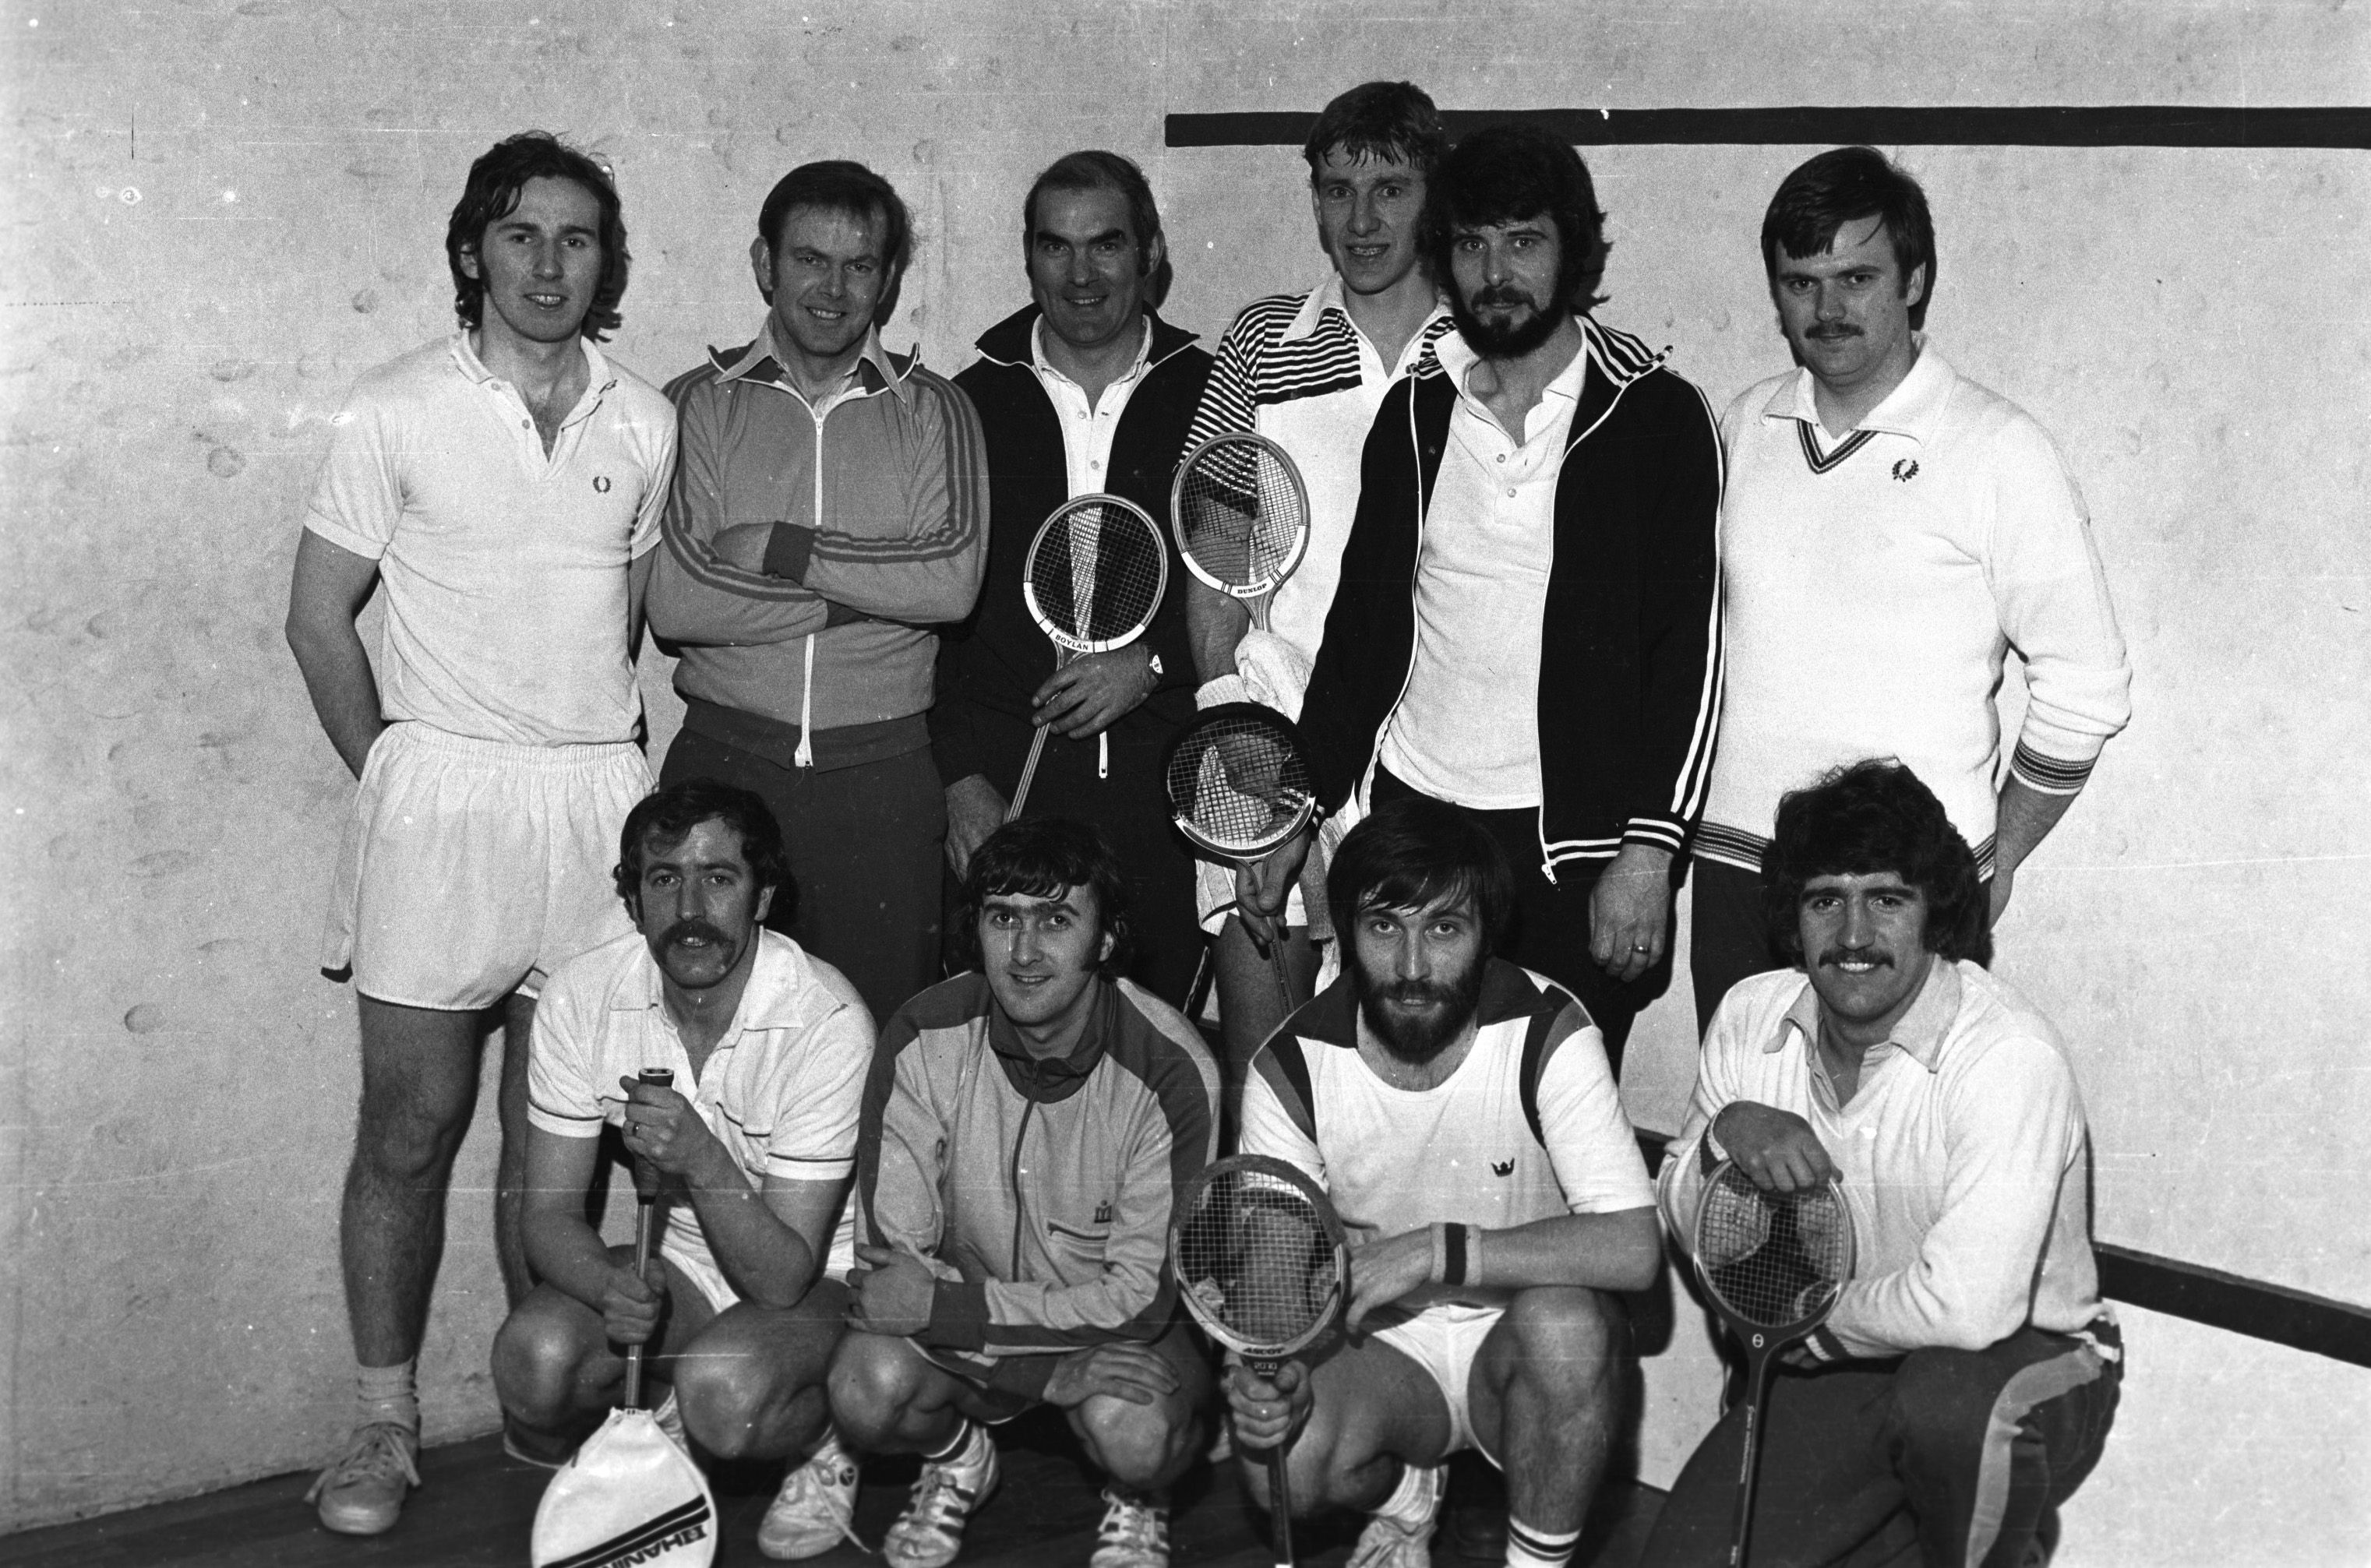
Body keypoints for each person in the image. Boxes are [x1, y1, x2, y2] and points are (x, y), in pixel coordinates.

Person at [284, 132, 676, 1535]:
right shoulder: (393, 407)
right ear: (472, 250)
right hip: (440, 803)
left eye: (577, 239)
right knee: (407, 1125)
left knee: (559, 1137)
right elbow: (316, 619)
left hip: (593, 805)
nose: (550, 263)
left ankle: (543, 1405)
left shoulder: (645, 419)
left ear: (603, 259)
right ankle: (384, 1422)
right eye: (522, 235)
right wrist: (392, 765)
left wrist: (585, 768)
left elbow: (621, 633)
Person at [1249, 123, 1724, 1075]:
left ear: (1574, 255)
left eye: (1523, 241)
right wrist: (1295, 810)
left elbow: (1688, 658)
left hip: (1575, 849)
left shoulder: (1655, 416)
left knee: (1555, 1121)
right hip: (1418, 817)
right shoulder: (1417, 412)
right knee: (1409, 1092)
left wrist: (1646, 854)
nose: (1493, 270)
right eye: (1470, 244)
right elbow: (1361, 637)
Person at [1692, 146, 2131, 1031]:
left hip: (1904, 885)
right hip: (1742, 873)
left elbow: (2087, 689)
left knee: (1901, 1150)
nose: (1827, 309)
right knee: (1752, 1146)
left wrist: (1992, 857)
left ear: (1915, 279)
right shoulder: (1745, 423)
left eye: (1857, 276)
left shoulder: (1999, 447)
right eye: (1799, 282)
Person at [1644, 759, 2120, 1567]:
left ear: (1933, 912)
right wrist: (1725, 1135)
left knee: (1947, 1406)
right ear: (1792, 919)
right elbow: (1673, 1198)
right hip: (1847, 1354)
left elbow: (1968, 1312)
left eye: (1886, 900)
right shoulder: (1749, 1013)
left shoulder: (2006, 1055)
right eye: (1825, 900)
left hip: (2024, 1359)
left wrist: (1805, 1325)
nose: (1854, 936)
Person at [1226, 795, 1660, 1568]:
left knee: (1566, 1325)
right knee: (1278, 1462)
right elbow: (1271, 1268)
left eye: (1444, 929)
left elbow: (1632, 1248)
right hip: (1384, 1347)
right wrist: (1268, 1366)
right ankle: (1404, 1499)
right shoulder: (1290, 1067)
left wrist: (1435, 1251)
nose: (1414, 967)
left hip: (1519, 1339)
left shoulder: (1547, 1029)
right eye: (1384, 928)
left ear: (1487, 936)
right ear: (1347, 934)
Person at [774, 819, 1219, 1568]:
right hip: (974, 1309)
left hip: (1113, 1322)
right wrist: (1042, 1372)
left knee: (1137, 1433)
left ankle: (1141, 1497)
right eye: (1001, 916)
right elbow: (892, 1275)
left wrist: (946, 1310)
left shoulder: (1171, 1067)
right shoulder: (921, 1034)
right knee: (863, 1386)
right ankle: (958, 1458)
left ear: (1105, 939)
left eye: (1054, 919)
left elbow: (1139, 1300)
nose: (1022, 950)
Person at [647, 159, 989, 1027]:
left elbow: (948, 586)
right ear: (765, 264)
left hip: (880, 780)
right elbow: (680, 602)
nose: (833, 290)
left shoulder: (935, 410)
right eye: (809, 260)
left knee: (878, 1053)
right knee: (703, 1049)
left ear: (888, 278)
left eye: (860, 266)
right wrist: (877, 589)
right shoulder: (693, 406)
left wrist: (776, 549)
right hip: (722, 766)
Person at [492, 780, 869, 1558]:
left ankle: (827, 1433)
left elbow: (781, 1279)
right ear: (631, 900)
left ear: (762, 895)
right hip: (690, 1260)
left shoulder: (825, 1020)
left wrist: (698, 1153)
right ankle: (674, 1407)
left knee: (727, 1401)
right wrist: (609, 1287)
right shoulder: (580, 998)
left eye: (718, 878)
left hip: (825, 1271)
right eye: (663, 879)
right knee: (535, 1362)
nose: (689, 907)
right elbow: (548, 1219)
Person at [1182, 79, 1457, 1080]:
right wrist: (1239, 737)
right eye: (1336, 189)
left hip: (1435, 753)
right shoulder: (1261, 343)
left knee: (1408, 1075)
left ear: (1436, 192)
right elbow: (1212, 574)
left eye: (1389, 187)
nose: (1361, 218)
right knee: (1269, 1074)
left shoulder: (1482, 348)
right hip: (1271, 736)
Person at [933, 151, 1212, 1007]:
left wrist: (1155, 662)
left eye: (1107, 246)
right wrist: (958, 779)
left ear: (1151, 253)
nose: (1081, 274)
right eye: (1056, 247)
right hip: (1010, 786)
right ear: (1028, 257)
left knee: (1155, 1047)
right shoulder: (964, 402)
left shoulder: (1215, 393)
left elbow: (1254, 590)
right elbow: (928, 621)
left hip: (1164, 780)